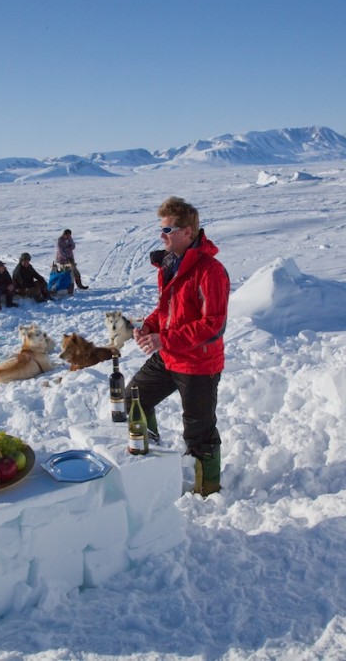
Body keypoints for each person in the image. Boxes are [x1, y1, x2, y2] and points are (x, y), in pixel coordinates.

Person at [126, 197, 229, 496]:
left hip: (198, 364)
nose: (162, 236)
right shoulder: (170, 265)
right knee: (135, 400)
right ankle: (150, 463)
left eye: (168, 229)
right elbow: (166, 310)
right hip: (170, 356)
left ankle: (207, 491)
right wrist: (150, 326)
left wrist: (164, 339)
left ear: (187, 232)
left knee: (199, 433)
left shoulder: (210, 271)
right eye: (161, 229)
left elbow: (213, 324)